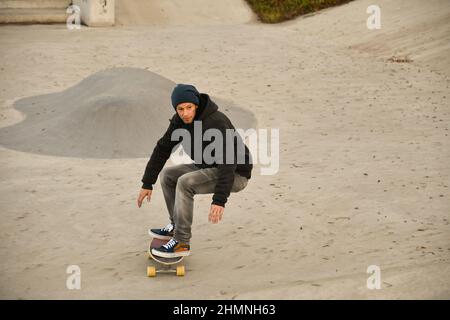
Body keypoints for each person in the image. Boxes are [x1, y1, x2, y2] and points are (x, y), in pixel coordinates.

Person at [137, 84, 253, 258]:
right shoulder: (179, 121)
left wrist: (219, 201)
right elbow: (162, 148)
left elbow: (228, 162)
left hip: (235, 173)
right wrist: (147, 182)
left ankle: (182, 242)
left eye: (189, 108)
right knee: (168, 176)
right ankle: (176, 226)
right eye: (180, 109)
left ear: (196, 105)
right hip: (209, 166)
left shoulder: (216, 122)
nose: (185, 113)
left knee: (186, 182)